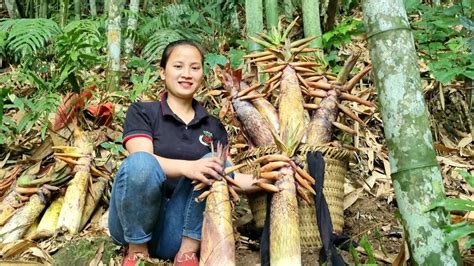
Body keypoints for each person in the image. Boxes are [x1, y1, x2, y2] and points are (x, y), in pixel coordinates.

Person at [108, 40, 261, 266]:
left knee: (214, 162)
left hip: (178, 231)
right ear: (162, 72)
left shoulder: (213, 126)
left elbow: (229, 176)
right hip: (132, 224)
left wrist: (270, 178)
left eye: (195, 67)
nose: (187, 74)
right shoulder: (143, 112)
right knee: (141, 162)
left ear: (202, 75)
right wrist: (188, 167)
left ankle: (188, 254)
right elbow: (141, 160)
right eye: (178, 66)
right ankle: (136, 252)